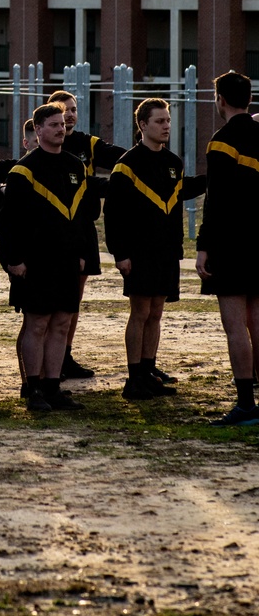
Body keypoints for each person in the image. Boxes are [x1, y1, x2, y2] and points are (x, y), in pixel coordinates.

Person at [104, 98, 200, 401]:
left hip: (167, 251)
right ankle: (133, 379)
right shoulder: (127, 164)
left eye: (168, 120)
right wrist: (120, 254)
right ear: (143, 125)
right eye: (159, 121)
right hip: (139, 251)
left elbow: (180, 192)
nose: (166, 126)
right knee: (140, 311)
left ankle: (148, 373)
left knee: (156, 312)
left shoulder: (173, 162)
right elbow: (114, 213)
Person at [0, 102, 87, 414]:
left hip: (66, 260)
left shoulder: (76, 166)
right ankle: (33, 387)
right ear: (37, 130)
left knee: (61, 323)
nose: (60, 129)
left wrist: (82, 255)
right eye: (53, 125)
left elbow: (82, 219)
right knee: (37, 324)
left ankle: (53, 386)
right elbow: (8, 222)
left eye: (62, 124)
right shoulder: (23, 171)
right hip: (34, 262)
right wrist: (12, 259)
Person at [196, 70, 259, 426]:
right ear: (249, 98)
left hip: (233, 242)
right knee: (258, 321)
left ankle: (246, 404)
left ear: (219, 100)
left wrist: (203, 246)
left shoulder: (221, 142)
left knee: (235, 325)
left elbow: (215, 201)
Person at [52, 88, 125, 381]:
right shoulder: (43, 145)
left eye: (73, 109)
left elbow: (122, 157)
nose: (69, 114)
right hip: (56, 230)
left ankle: (65, 355)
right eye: (63, 110)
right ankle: (49, 359)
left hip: (83, 227)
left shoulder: (87, 143)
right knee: (53, 299)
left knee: (74, 298)